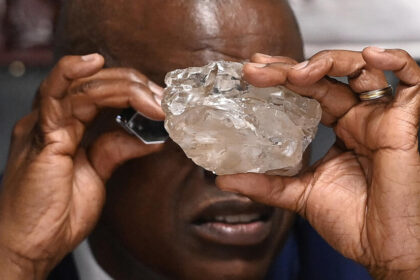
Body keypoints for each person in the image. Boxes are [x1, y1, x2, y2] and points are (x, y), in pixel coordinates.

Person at [0, 1, 419, 279]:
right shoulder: (15, 247)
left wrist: (401, 267)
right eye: (172, 120)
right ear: (75, 129)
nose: (233, 166)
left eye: (272, 115)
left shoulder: (357, 259)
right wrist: (19, 262)